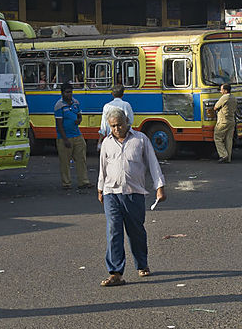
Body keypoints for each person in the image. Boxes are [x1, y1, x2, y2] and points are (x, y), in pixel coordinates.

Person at [97, 107, 166, 287]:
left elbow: (153, 164)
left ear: (127, 122)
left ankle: (141, 264)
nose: (116, 129)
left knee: (136, 231)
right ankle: (115, 272)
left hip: (134, 193)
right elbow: (102, 167)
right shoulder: (107, 142)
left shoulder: (140, 140)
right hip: (111, 192)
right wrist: (100, 189)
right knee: (114, 230)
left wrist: (159, 186)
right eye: (112, 126)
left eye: (119, 125)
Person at [54, 82, 89, 190]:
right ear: (62, 93)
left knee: (81, 159)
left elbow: (79, 116)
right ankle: (66, 183)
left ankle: (83, 182)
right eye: (67, 92)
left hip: (77, 135)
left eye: (71, 92)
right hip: (64, 137)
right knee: (65, 162)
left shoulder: (75, 103)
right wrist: (65, 140)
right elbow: (59, 125)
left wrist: (78, 120)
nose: (69, 94)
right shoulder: (59, 105)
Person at [213, 83, 237, 163]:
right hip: (231, 120)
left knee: (217, 138)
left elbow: (215, 107)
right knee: (229, 139)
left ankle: (223, 155)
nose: (220, 91)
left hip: (223, 121)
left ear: (225, 90)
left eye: (221, 90)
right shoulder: (233, 97)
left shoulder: (224, 97)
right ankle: (228, 158)